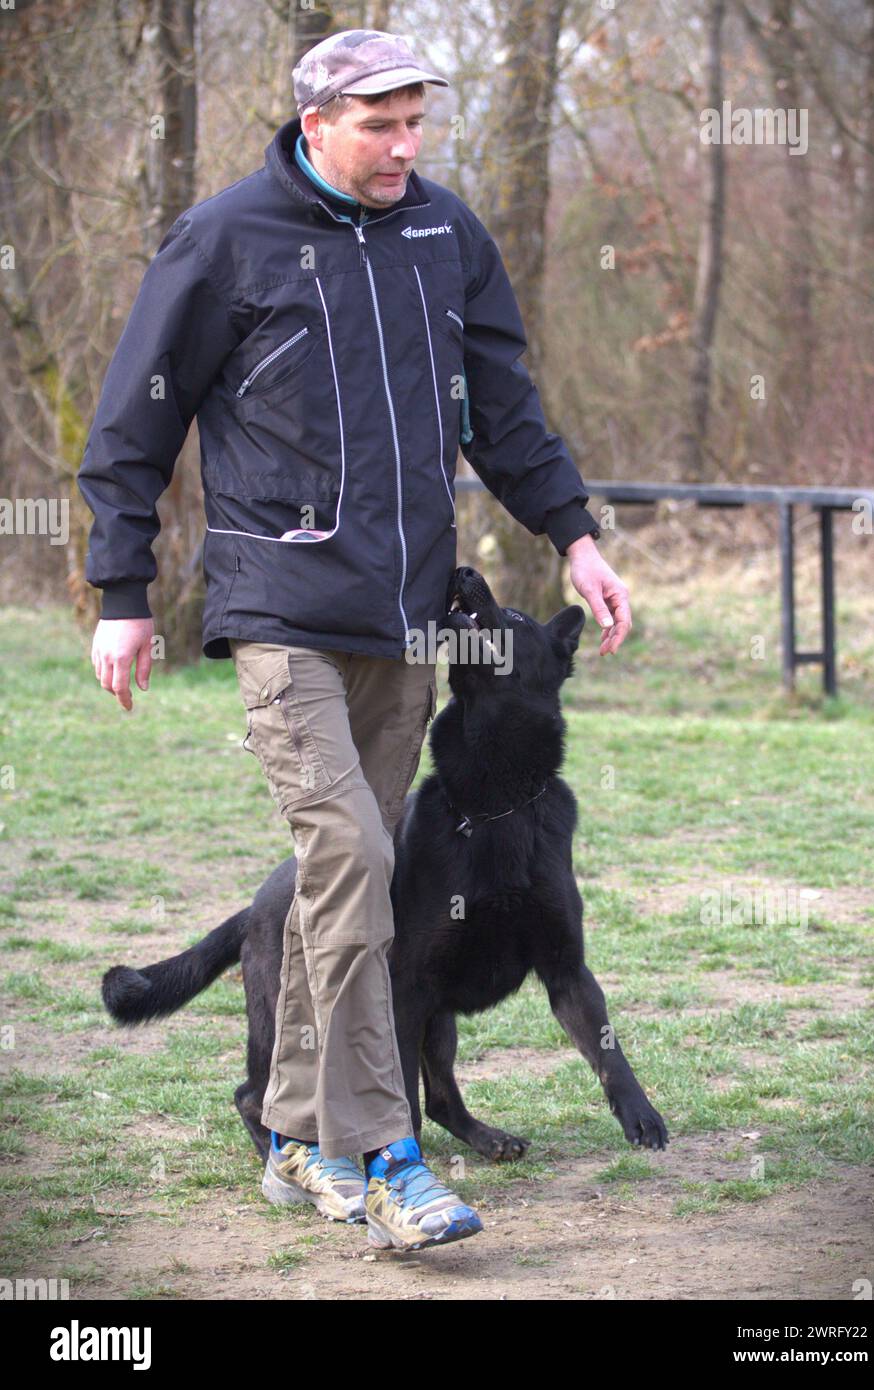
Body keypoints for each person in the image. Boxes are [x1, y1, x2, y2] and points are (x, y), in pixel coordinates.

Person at [77, 29, 632, 1251]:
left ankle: (285, 1130)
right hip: (283, 622)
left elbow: (504, 408)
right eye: (381, 124)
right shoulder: (224, 242)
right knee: (352, 875)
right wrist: (122, 588)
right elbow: (131, 420)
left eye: (418, 121)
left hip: (406, 626)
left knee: (365, 878)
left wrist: (576, 535)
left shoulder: (447, 238)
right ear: (317, 120)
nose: (407, 147)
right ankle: (387, 1156)